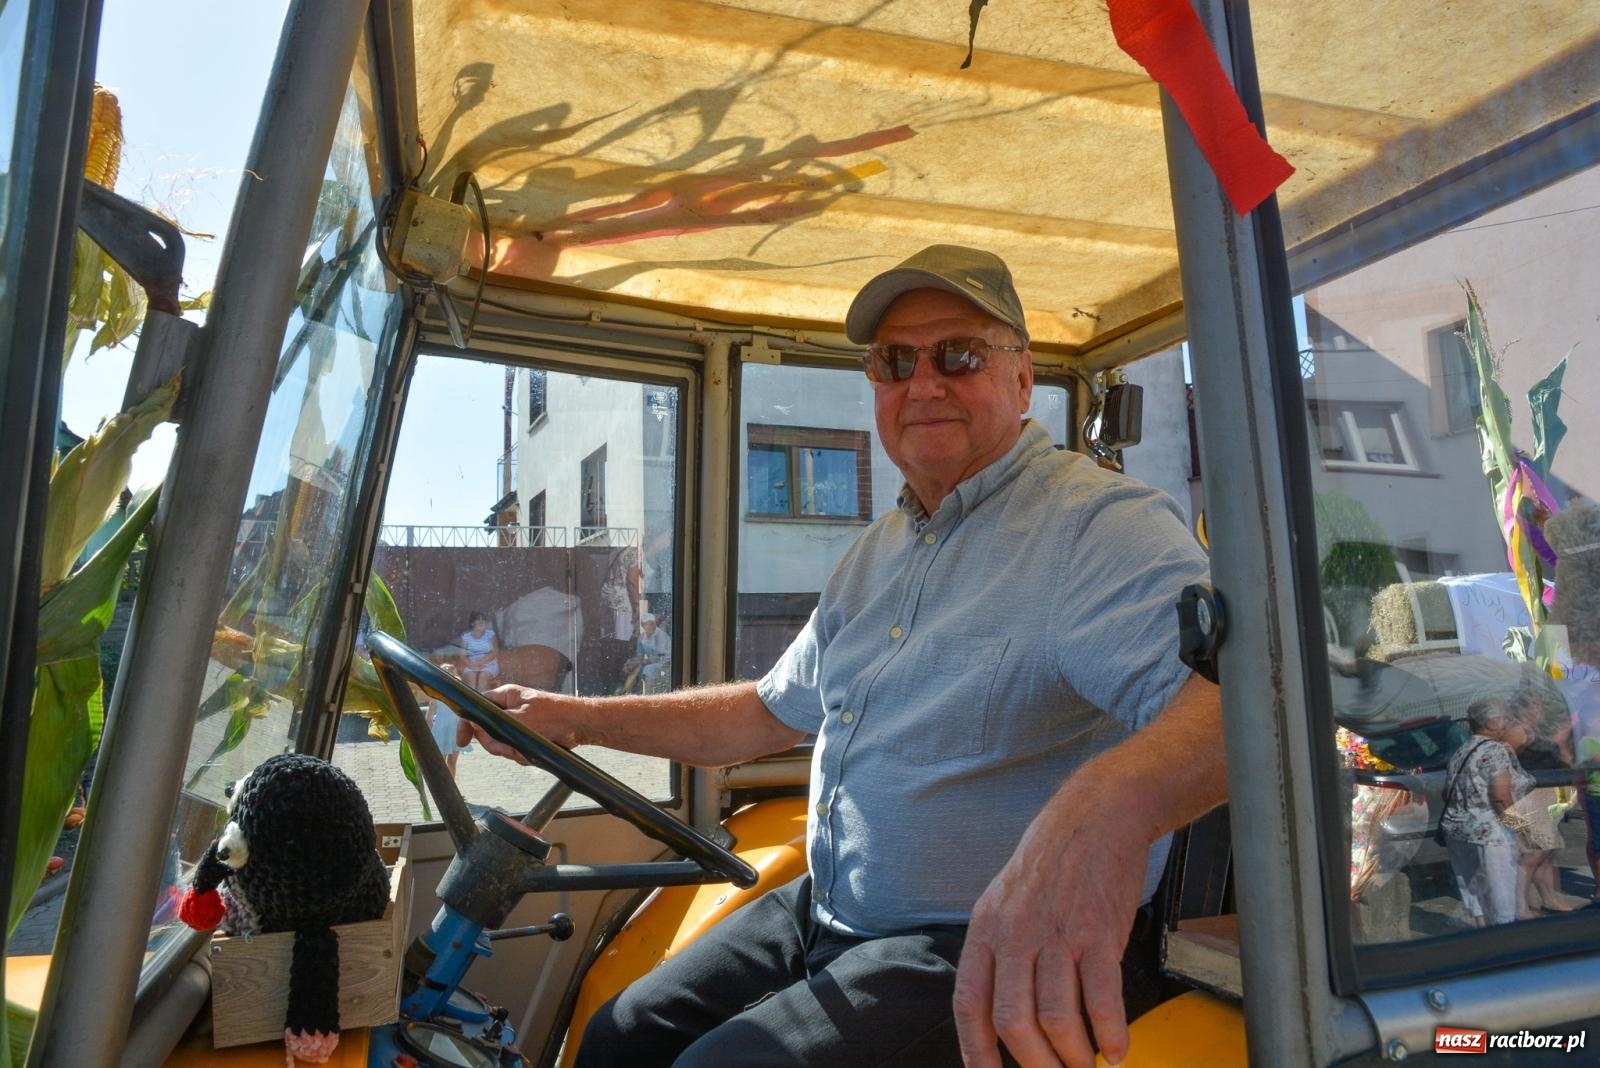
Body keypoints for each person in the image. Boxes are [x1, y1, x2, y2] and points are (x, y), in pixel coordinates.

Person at [461, 244, 1227, 1068]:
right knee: (620, 1037)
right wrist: (571, 720)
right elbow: (763, 712)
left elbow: (1239, 714)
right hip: (831, 910)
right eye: (895, 362)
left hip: (976, 934)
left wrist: (1102, 809)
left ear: (1021, 375)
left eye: (957, 355)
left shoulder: (1098, 527)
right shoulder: (875, 553)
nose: (923, 383)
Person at [1440, 697, 1535, 926]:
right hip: (1490, 832)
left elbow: (1446, 793)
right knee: (1502, 892)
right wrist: (1523, 830)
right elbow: (1501, 796)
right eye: (1506, 718)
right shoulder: (1495, 750)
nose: (1509, 723)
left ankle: (1482, 934)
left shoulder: (1462, 750)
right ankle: (1506, 940)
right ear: (1491, 723)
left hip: (1458, 830)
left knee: (1474, 891)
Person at [429, 662, 468, 778]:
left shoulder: (460, 692)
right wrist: (428, 734)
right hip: (441, 731)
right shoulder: (435, 692)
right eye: (444, 672)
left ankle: (452, 789)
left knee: (452, 761)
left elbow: (465, 712)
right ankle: (442, 788)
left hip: (455, 730)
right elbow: (430, 716)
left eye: (450, 672)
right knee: (441, 762)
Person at [630, 612, 671, 694]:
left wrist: (643, 662)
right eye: (647, 624)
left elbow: (658, 658)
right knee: (632, 669)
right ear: (643, 626)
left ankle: (647, 694)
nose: (650, 626)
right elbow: (639, 655)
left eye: (652, 623)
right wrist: (632, 662)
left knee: (648, 669)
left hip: (665, 662)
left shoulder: (661, 636)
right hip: (650, 662)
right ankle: (627, 692)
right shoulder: (641, 637)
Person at [459, 611, 499, 691]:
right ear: (472, 623)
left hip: (489, 663)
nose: (481, 621)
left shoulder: (490, 634)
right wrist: (472, 665)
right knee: (471, 678)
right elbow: (462, 656)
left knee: (483, 677)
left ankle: (481, 702)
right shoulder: (466, 637)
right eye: (478, 619)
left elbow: (495, 652)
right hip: (471, 664)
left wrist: (480, 663)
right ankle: (471, 702)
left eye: (483, 619)